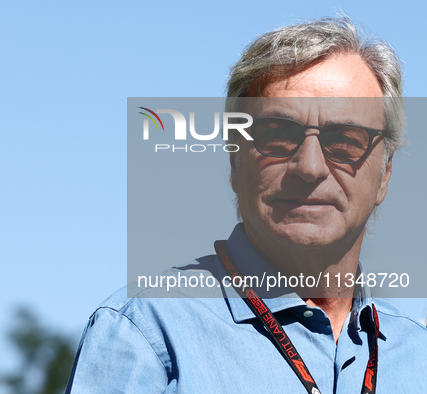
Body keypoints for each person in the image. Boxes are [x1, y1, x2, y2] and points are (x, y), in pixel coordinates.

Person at [66, 17, 427, 393]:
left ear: (385, 174)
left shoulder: (418, 354)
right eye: (277, 135)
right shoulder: (147, 331)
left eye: (345, 140)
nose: (310, 167)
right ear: (236, 161)